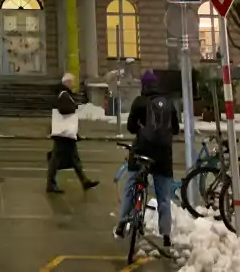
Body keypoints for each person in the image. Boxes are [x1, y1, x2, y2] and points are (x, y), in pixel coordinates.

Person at [114, 70, 179, 249]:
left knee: (131, 184)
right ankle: (166, 235)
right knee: (163, 196)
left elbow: (130, 127)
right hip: (163, 156)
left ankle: (122, 222)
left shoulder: (140, 102)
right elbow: (175, 129)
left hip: (141, 150)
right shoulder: (168, 103)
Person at [46, 72, 98, 193]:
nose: (73, 84)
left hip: (65, 134)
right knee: (56, 159)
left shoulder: (63, 93)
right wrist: (74, 107)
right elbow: (63, 109)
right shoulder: (63, 94)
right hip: (63, 134)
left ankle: (84, 181)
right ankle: (50, 184)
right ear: (67, 82)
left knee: (74, 158)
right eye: (72, 82)